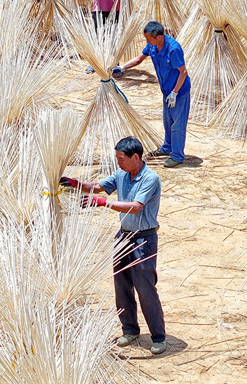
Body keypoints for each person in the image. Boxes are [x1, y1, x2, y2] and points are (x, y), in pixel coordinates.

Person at [60, 137, 167, 355]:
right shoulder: (122, 174)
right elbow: (97, 187)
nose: (118, 163)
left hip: (143, 239)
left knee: (145, 288)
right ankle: (129, 330)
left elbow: (135, 207)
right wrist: (74, 183)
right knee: (121, 284)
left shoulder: (150, 178)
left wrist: (103, 203)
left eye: (121, 159)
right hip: (123, 236)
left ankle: (158, 336)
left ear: (135, 157)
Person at [112, 21, 190, 168]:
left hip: (179, 91)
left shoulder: (173, 49)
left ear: (160, 37)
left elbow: (183, 72)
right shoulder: (153, 45)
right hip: (166, 90)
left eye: (149, 39)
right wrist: (122, 67)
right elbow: (138, 59)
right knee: (167, 121)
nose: (147, 42)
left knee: (177, 124)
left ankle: (177, 155)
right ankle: (167, 147)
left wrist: (175, 93)